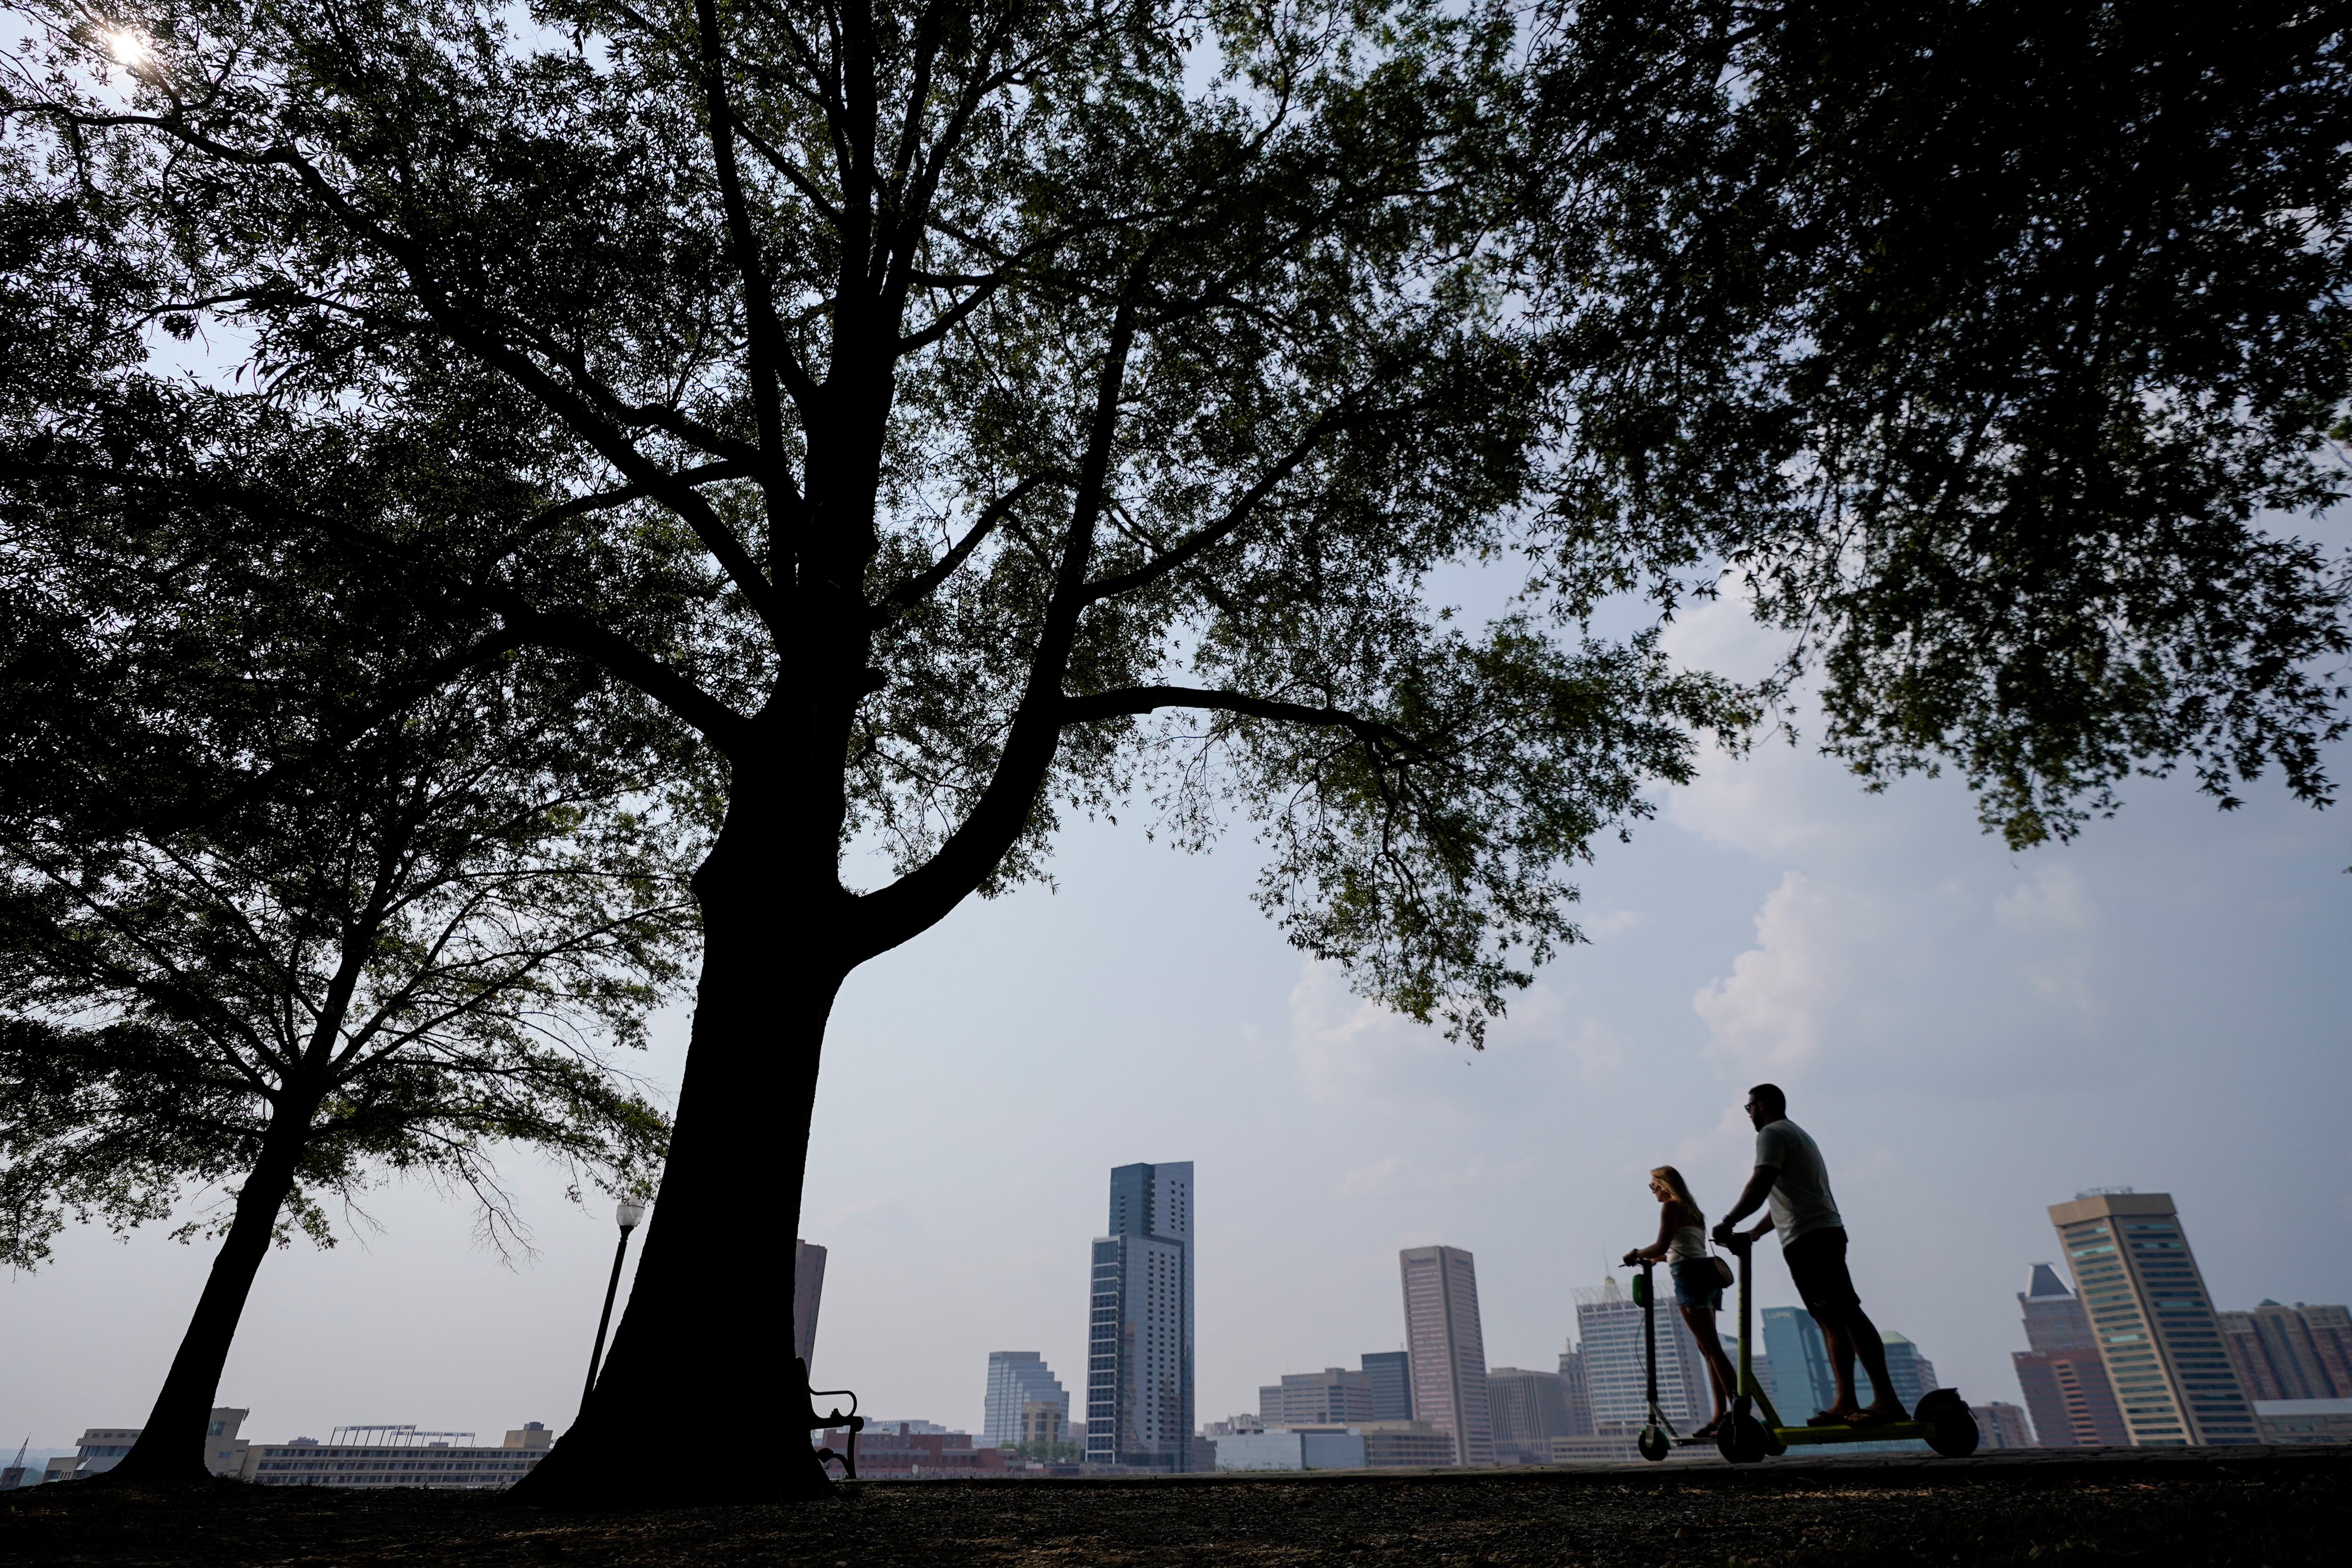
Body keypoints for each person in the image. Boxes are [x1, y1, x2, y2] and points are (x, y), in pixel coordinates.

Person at [1711, 1083, 1905, 1425]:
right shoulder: (1795, 1134)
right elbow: (1787, 1199)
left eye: (1750, 1107)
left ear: (1765, 1105)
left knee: (1845, 1314)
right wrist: (1753, 1234)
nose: (1749, 1114)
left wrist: (1728, 1222)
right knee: (1833, 1318)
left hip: (1811, 1238)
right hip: (1815, 1234)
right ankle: (1847, 1401)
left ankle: (1884, 1400)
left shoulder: (1772, 1133)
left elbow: (1760, 1184)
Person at [1621, 1164, 1738, 1438]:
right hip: (1706, 1276)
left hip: (1689, 1278)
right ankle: (1720, 1415)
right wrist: (1661, 1258)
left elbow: (1661, 1245)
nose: (1653, 1192)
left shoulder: (1671, 1207)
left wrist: (1635, 1254)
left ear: (1664, 1185)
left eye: (1653, 1186)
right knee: (1707, 1349)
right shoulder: (1692, 1210)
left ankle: (1737, 1409)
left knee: (1712, 1348)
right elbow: (1683, 1247)